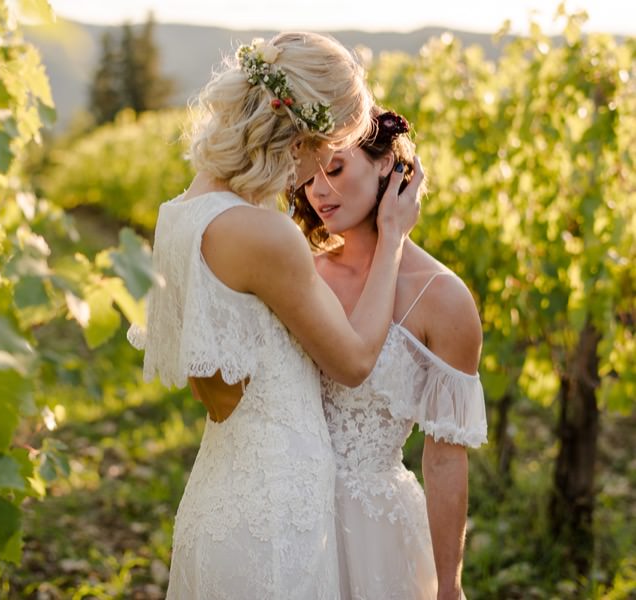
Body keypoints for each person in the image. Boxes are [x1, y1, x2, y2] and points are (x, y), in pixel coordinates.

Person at [127, 32, 423, 599]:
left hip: (219, 493)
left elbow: (214, 388)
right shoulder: (265, 234)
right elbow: (355, 360)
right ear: (303, 135)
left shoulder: (179, 216)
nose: (318, 177)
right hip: (278, 510)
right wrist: (392, 238)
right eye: (329, 147)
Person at [292, 106, 488, 599]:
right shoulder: (297, 271)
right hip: (287, 513)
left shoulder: (444, 298)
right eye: (307, 175)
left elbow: (445, 459)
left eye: (334, 169)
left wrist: (449, 584)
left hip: (379, 536)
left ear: (386, 164)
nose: (318, 191)